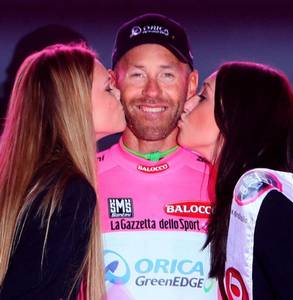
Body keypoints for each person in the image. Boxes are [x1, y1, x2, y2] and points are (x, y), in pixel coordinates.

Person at [98, 13, 220, 300]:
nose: (152, 92)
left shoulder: (225, 180)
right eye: (138, 75)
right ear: (114, 82)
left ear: (190, 84)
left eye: (166, 75)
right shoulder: (81, 178)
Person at [0, 43, 126, 299]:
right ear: (76, 104)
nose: (119, 94)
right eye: (107, 88)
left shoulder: (36, 183)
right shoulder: (70, 193)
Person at [178, 61, 293, 299]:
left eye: (203, 97)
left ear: (239, 115)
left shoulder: (267, 201)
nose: (187, 104)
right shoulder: (247, 197)